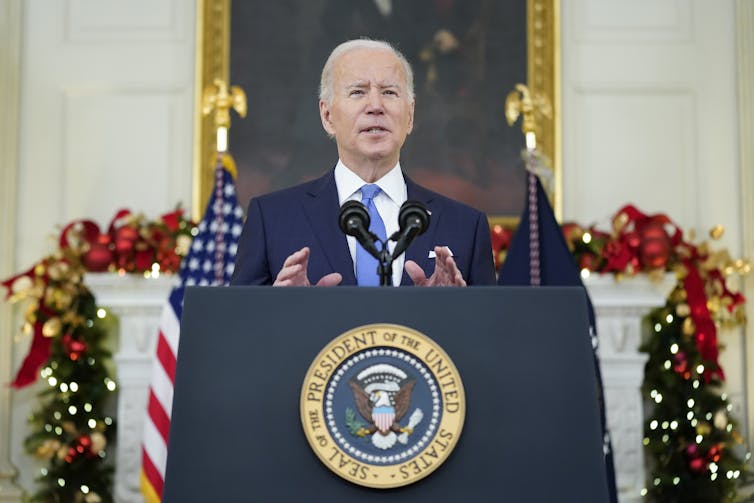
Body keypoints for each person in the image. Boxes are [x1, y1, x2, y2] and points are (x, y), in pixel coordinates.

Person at [230, 38, 495, 287]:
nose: (375, 106)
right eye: (358, 92)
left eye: (389, 92)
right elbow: (240, 331)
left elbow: (488, 332)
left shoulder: (465, 227)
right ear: (327, 116)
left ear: (410, 115)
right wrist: (283, 309)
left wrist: (452, 309)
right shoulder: (272, 219)